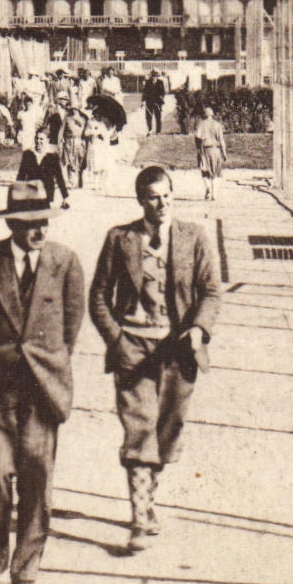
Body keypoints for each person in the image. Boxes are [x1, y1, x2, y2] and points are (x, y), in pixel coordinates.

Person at [0, 181, 85, 584]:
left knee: (37, 482)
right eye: (28, 223)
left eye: (43, 221)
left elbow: (72, 320)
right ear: (12, 225)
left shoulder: (65, 261)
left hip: (41, 391)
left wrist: (50, 361)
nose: (38, 230)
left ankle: (26, 572)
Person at [89, 166, 222, 552]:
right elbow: (99, 296)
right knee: (139, 428)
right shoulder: (120, 239)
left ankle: (148, 497)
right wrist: (116, 339)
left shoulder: (194, 236)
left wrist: (198, 328)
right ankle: (139, 517)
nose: (161, 204)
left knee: (167, 430)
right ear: (140, 200)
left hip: (178, 350)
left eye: (166, 196)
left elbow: (211, 291)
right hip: (134, 347)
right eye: (152, 197)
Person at [17, 130, 69, 208]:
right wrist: (17, 195)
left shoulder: (53, 156)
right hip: (31, 195)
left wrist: (65, 197)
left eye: (41, 139)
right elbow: (21, 176)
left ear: (47, 140)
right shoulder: (28, 154)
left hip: (47, 196)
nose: (38, 141)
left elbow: (59, 178)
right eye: (36, 138)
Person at [193, 106, 228, 201]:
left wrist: (198, 149)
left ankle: (208, 187)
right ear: (212, 115)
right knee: (216, 173)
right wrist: (224, 153)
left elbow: (197, 137)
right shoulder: (217, 125)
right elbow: (221, 140)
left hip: (205, 150)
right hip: (216, 150)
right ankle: (214, 194)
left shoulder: (201, 124)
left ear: (204, 115)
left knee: (205, 172)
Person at [59, 98, 88, 190]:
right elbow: (61, 131)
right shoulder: (67, 118)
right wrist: (60, 142)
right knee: (70, 161)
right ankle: (71, 182)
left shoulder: (84, 119)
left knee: (80, 161)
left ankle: (79, 181)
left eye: (75, 109)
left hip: (80, 141)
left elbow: (87, 131)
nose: (73, 110)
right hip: (69, 141)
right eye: (71, 109)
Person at [143, 69, 168, 135]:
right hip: (149, 102)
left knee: (158, 117)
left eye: (155, 76)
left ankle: (158, 131)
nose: (154, 77)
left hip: (157, 102)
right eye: (153, 76)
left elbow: (163, 92)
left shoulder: (160, 82)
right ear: (151, 76)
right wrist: (143, 101)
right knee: (148, 116)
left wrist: (162, 97)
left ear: (157, 76)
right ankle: (150, 130)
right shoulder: (148, 82)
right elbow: (144, 92)